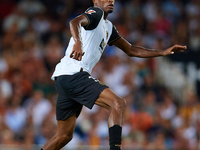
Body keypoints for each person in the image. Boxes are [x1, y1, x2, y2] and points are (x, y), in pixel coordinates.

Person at [41, 0, 186, 150]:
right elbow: (74, 22)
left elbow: (131, 49)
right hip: (74, 74)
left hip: (64, 77)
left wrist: (162, 52)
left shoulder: (109, 27)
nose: (111, 1)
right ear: (96, 1)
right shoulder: (95, 13)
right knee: (118, 103)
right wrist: (78, 42)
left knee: (64, 136)